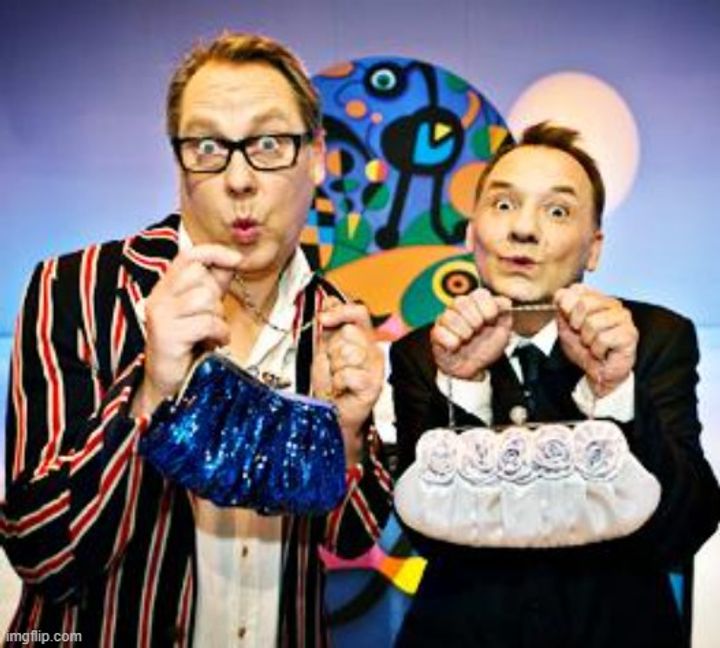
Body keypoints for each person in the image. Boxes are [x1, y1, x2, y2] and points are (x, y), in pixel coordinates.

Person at [0, 32, 392, 647]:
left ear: (316, 156)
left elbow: (348, 538)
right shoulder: (77, 288)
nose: (239, 179)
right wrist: (152, 393)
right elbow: (42, 553)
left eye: (268, 143)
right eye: (208, 146)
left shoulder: (335, 319)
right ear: (181, 163)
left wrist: (344, 437)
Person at [390, 122, 720, 648]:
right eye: (503, 205)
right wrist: (464, 384)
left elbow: (683, 530)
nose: (524, 229)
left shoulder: (654, 337)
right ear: (472, 234)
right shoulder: (423, 352)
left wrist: (614, 389)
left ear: (594, 249)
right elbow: (428, 537)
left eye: (558, 211)